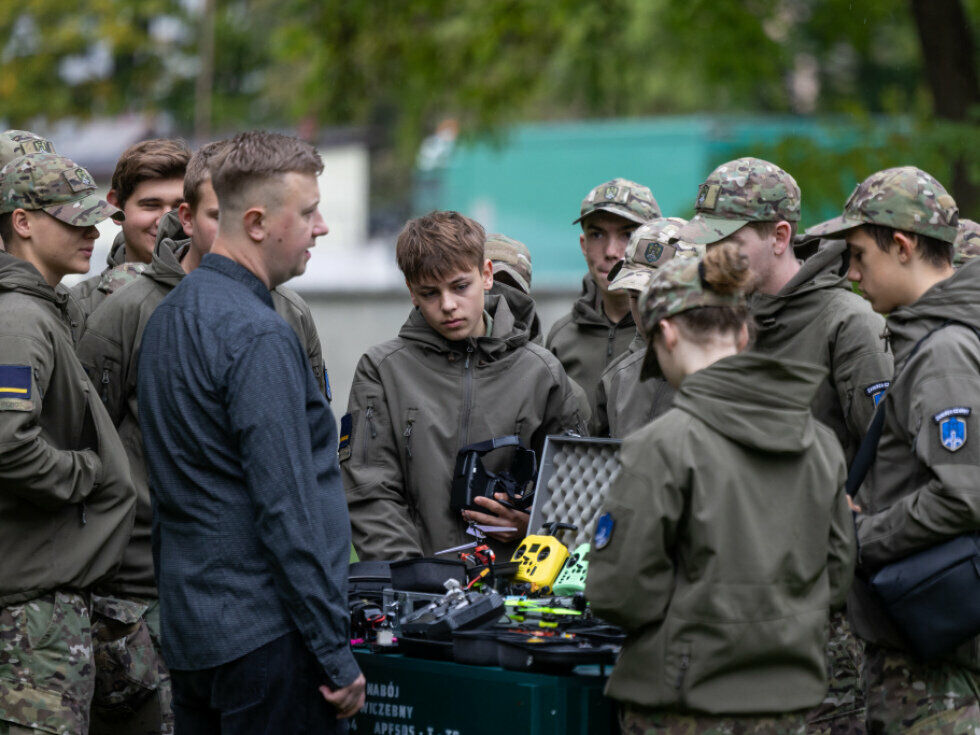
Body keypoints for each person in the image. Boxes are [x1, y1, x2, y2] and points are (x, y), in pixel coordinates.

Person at [137, 131, 363, 733]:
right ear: (258, 222)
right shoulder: (258, 335)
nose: (322, 229)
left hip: (195, 637)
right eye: (309, 212)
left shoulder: (168, 317)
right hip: (268, 645)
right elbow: (287, 512)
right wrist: (334, 656)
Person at [586, 245, 856, 735]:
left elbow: (617, 592)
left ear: (664, 332)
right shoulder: (820, 443)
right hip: (792, 701)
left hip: (683, 703)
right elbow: (837, 576)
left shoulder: (662, 447)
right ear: (744, 332)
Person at [676, 157, 893, 733]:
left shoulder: (847, 324)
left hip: (822, 618)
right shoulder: (721, 321)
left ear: (780, 238)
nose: (713, 260)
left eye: (730, 243)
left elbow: (891, 459)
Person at [806, 166, 980, 732]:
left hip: (933, 667)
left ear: (901, 246)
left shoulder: (944, 351)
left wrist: (862, 534)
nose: (852, 274)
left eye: (858, 255)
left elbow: (961, 496)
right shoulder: (928, 337)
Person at [342, 210, 587, 561]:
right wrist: (412, 580)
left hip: (515, 590)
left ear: (486, 275)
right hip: (417, 591)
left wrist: (530, 526)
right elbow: (369, 491)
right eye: (430, 293)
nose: (447, 305)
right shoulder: (382, 370)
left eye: (460, 286)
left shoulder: (541, 372)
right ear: (411, 292)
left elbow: (575, 495)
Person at [0, 152, 137, 734]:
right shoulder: (20, 320)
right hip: (31, 618)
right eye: (72, 219)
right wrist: (88, 474)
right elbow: (7, 443)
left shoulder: (37, 311)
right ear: (22, 222)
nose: (93, 231)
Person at [547, 178, 660, 408]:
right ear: (583, 245)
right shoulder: (561, 338)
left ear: (652, 246)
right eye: (597, 235)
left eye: (627, 235)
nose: (611, 252)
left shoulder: (669, 332)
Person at [593, 217, 696, 438]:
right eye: (634, 296)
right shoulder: (619, 378)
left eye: (657, 298)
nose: (645, 312)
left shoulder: (730, 375)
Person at [71, 139, 190, 317]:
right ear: (116, 207)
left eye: (178, 207)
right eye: (151, 205)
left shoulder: (215, 294)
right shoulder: (79, 307)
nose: (165, 221)